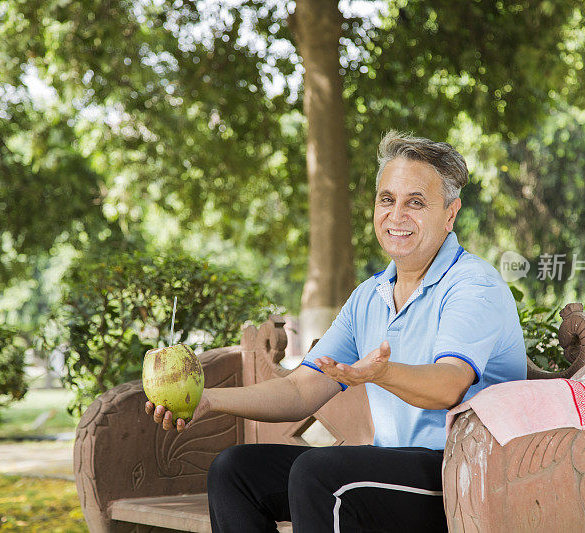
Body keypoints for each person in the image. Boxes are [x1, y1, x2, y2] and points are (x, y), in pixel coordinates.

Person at [146, 131, 527, 532]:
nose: (397, 215)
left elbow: (450, 385)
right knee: (234, 471)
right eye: (387, 199)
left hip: (462, 474)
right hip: (394, 468)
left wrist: (382, 373)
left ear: (450, 213)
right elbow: (300, 391)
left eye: (415, 202)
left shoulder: (471, 284)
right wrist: (207, 400)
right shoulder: (370, 296)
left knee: (319, 474)